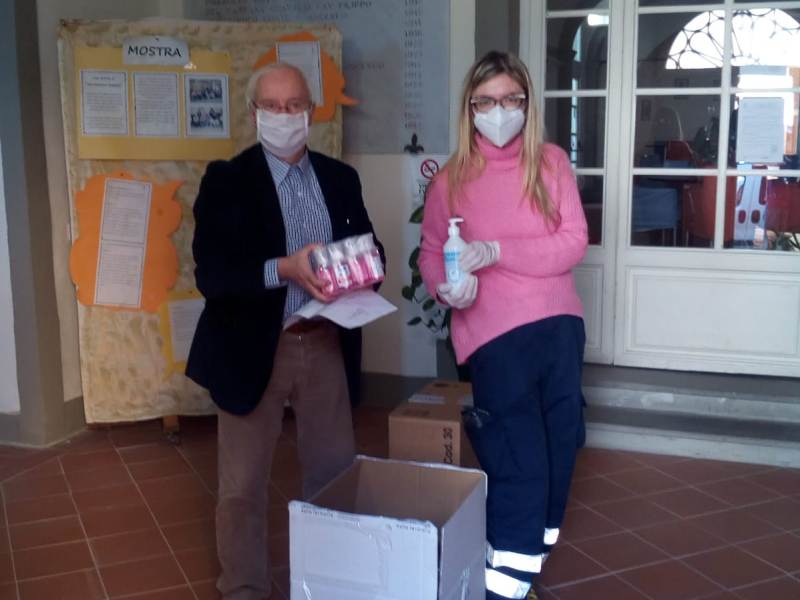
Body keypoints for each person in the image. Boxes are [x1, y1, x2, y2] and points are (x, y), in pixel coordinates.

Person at [187, 62, 384, 600]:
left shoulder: (340, 179)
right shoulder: (227, 181)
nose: (283, 115)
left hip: (324, 342)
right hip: (253, 346)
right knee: (243, 487)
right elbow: (213, 275)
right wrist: (285, 269)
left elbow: (372, 250)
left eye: (294, 104)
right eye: (271, 106)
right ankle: (245, 588)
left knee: (333, 474)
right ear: (254, 113)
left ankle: (330, 583)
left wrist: (364, 270)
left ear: (311, 112)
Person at [419, 51, 588, 600]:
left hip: (559, 333)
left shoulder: (551, 164)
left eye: (511, 99)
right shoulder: (451, 181)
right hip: (495, 341)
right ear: (469, 108)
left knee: (559, 456)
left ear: (527, 103)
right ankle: (501, 590)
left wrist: (496, 251)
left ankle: (523, 566)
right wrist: (447, 288)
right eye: (486, 101)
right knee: (519, 467)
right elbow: (432, 252)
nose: (499, 111)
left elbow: (572, 243)